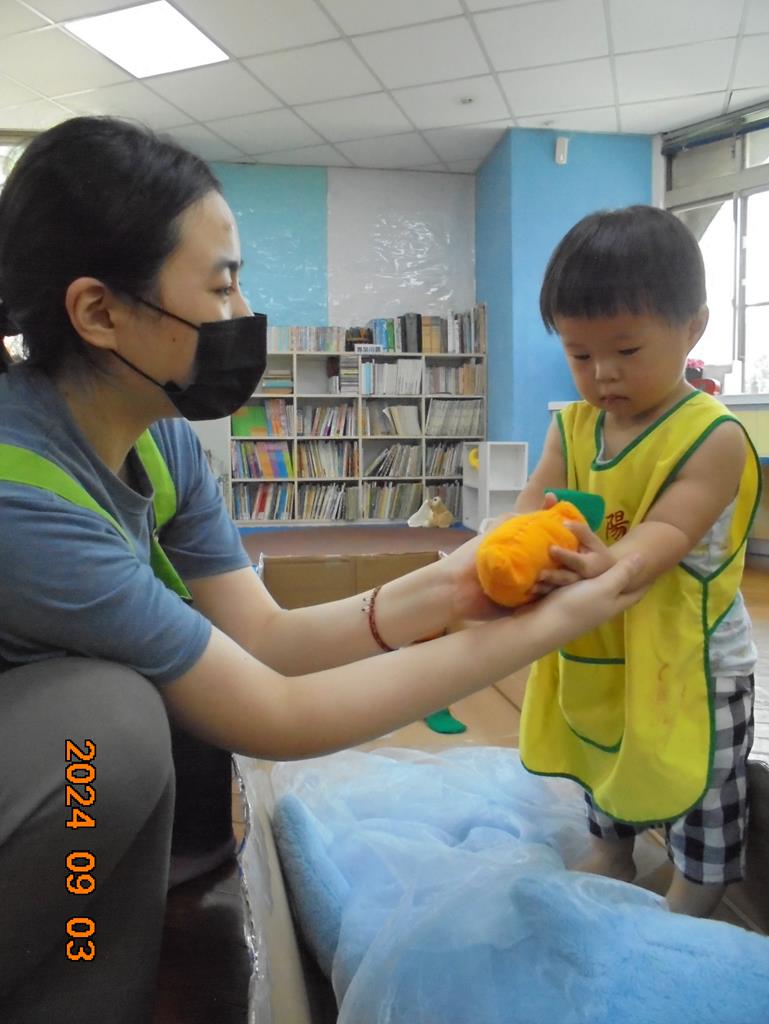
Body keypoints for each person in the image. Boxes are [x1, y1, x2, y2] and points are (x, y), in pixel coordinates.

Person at [0, 117, 643, 1023]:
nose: (242, 310)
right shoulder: (22, 499)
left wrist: (455, 586)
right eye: (220, 285)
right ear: (99, 312)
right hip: (55, 767)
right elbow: (276, 714)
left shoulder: (160, 444)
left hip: (52, 802)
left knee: (131, 767)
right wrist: (543, 632)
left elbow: (268, 639)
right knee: (103, 731)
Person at [515, 205, 761, 919]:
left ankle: (698, 884)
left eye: (626, 350)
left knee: (701, 780)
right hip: (608, 642)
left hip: (694, 660)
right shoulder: (573, 426)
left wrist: (610, 566)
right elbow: (534, 505)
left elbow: (666, 533)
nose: (602, 375)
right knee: (608, 751)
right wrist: (504, 554)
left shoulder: (711, 436)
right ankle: (613, 848)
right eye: (579, 355)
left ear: (693, 328)